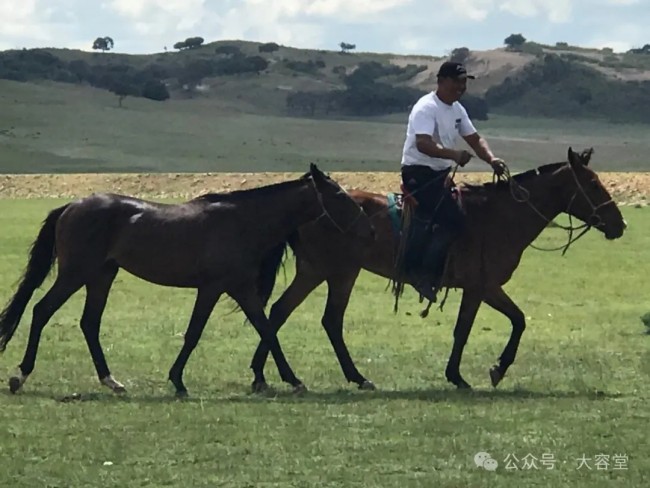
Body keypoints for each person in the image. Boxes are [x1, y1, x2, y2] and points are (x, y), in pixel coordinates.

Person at [400, 61, 506, 302]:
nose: (462, 86)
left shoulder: (457, 109)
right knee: (452, 220)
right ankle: (421, 273)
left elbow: (474, 138)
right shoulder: (426, 107)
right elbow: (423, 143)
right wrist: (454, 155)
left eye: (464, 82)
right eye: (457, 81)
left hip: (439, 175)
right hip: (418, 173)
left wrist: (491, 159)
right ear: (441, 81)